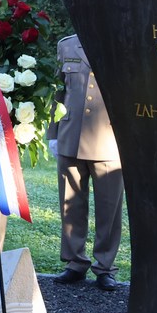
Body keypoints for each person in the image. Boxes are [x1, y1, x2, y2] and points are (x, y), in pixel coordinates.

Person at [47, 34, 124, 291]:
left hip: (108, 140)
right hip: (71, 136)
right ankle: (75, 262)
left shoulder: (119, 42)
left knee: (109, 209)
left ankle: (105, 267)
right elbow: (57, 92)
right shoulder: (67, 45)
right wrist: (53, 133)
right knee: (70, 205)